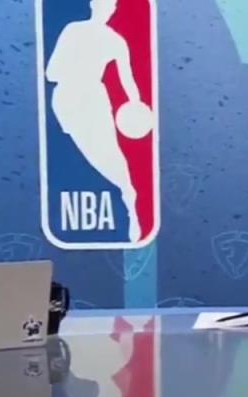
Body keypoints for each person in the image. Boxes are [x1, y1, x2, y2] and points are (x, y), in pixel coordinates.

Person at [45, 0, 152, 242]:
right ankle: (127, 193)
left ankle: (129, 199)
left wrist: (136, 106)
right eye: (105, 5)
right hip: (68, 100)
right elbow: (51, 72)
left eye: (110, 6)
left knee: (109, 154)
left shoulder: (115, 41)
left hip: (92, 100)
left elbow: (128, 80)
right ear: (94, 6)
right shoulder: (74, 30)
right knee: (86, 154)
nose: (108, 10)